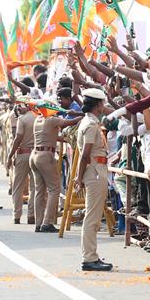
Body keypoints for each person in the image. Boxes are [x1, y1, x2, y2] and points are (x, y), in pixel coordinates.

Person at [74, 88, 113, 271]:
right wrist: (78, 177)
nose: (104, 106)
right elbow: (85, 154)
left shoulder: (89, 122)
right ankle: (89, 258)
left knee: (94, 217)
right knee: (92, 217)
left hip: (96, 169)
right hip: (95, 170)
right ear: (98, 105)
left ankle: (92, 255)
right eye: (102, 103)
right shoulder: (90, 124)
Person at [30, 104, 81, 232]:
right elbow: (71, 122)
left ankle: (39, 222)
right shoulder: (51, 119)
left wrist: (66, 140)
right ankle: (47, 223)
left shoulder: (38, 119)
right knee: (54, 189)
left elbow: (52, 137)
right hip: (45, 156)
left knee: (39, 191)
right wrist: (81, 115)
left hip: (35, 155)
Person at [6, 102, 36, 225]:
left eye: (21, 105)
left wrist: (10, 155)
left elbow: (17, 138)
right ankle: (31, 215)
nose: (18, 108)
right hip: (35, 154)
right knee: (35, 187)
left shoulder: (22, 119)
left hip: (23, 154)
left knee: (17, 186)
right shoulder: (38, 117)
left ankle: (16, 215)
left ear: (28, 106)